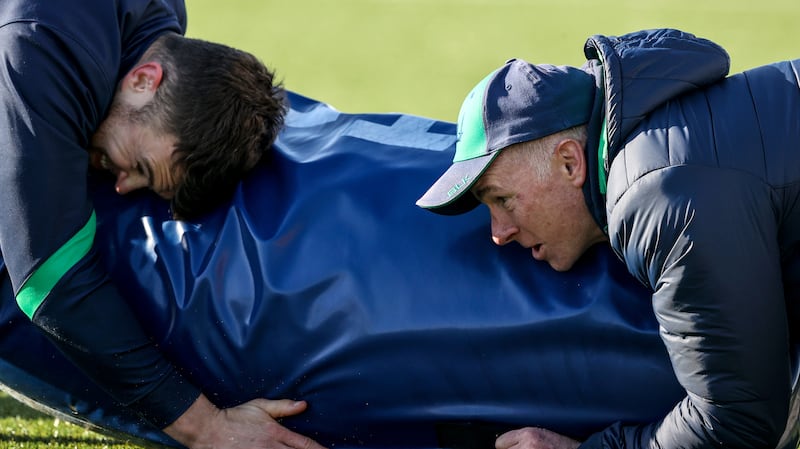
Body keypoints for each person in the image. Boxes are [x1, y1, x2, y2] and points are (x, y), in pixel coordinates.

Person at [417, 28, 800, 449]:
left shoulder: (654, 195)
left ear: (569, 162)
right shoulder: (660, 142)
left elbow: (736, 421)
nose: (498, 233)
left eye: (503, 199)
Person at [0, 1, 325, 448]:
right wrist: (207, 428)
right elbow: (48, 281)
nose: (121, 186)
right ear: (144, 79)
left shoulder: (159, 18)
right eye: (139, 167)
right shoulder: (38, 46)